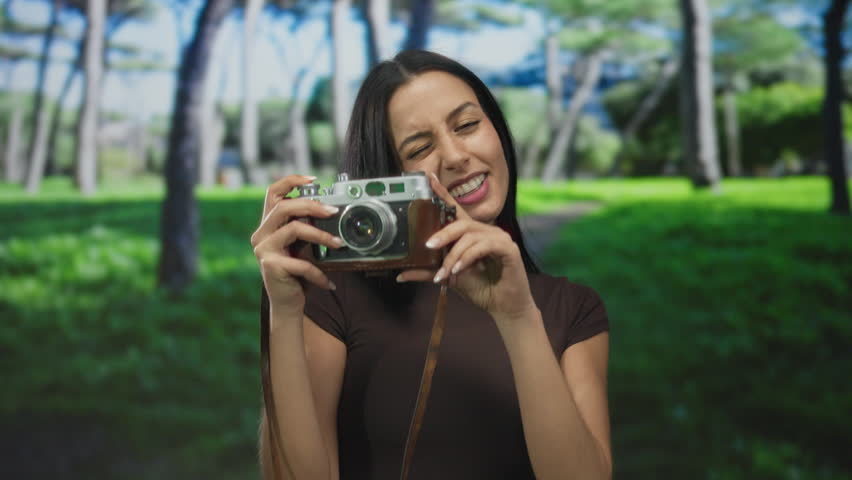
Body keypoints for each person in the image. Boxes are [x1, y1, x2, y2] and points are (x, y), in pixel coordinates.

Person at [251, 50, 611, 479]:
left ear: (497, 130)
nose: (456, 156)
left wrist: (517, 318)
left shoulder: (572, 309)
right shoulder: (335, 297)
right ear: (390, 177)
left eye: (467, 125)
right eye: (420, 147)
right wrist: (284, 314)